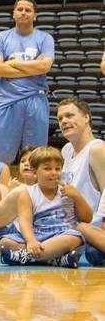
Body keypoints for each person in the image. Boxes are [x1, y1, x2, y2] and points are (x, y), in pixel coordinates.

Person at [0, 0, 54, 165]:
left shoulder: (45, 39)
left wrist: (12, 63)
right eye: (20, 9)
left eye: (28, 10)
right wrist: (33, 66)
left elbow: (45, 66)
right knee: (1, 158)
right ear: (14, 14)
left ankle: (34, 191)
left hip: (36, 99)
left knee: (37, 158)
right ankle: (1, 190)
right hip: (7, 101)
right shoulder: (1, 38)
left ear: (35, 16)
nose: (23, 12)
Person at [0, 146, 90, 267]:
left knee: (75, 238)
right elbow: (25, 222)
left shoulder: (69, 190)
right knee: (5, 242)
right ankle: (55, 259)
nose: (53, 172)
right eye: (47, 168)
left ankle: (26, 256)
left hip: (62, 236)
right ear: (34, 171)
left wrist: (77, 197)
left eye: (57, 169)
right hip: (38, 236)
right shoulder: (28, 194)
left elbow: (87, 218)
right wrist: (31, 241)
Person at [54, 98, 105, 265]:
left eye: (69, 115)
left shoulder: (97, 149)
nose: (64, 121)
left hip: (90, 226)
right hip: (69, 223)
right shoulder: (66, 151)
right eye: (60, 118)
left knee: (92, 249)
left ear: (86, 117)